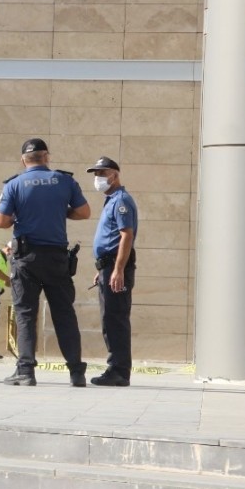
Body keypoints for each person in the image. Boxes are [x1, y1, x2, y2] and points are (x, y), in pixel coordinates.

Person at [0, 138, 91, 387]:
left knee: (26, 314)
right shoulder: (65, 181)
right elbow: (84, 212)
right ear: (46, 157)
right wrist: (60, 211)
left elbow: (1, 222)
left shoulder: (14, 185)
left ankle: (25, 371)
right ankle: (76, 372)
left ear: (23, 160)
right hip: (57, 257)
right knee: (64, 314)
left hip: (26, 258)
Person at [88, 156, 138, 387]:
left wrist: (117, 269)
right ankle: (116, 367)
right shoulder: (110, 201)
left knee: (115, 317)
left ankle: (118, 370)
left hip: (116, 266)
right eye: (96, 174)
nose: (98, 178)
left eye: (102, 173)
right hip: (108, 266)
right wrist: (104, 269)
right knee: (109, 317)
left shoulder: (121, 201)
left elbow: (126, 236)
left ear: (114, 175)